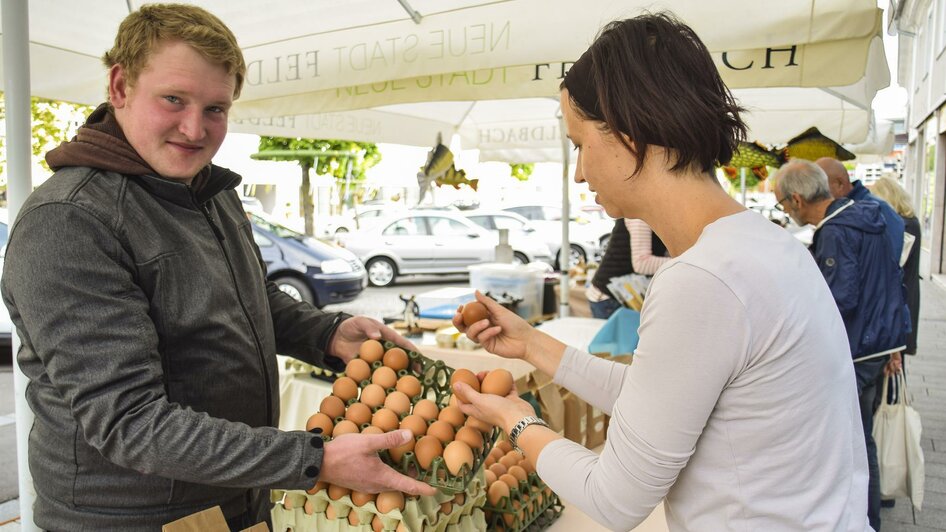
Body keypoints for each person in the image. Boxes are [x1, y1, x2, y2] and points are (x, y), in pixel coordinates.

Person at [0, 5, 434, 531]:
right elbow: (128, 423)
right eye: (174, 100)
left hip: (233, 493)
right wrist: (311, 459)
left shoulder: (207, 192)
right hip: (130, 517)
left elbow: (246, 301)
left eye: (216, 109)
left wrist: (328, 333)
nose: (195, 129)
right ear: (119, 87)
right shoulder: (70, 220)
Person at [451, 13, 872, 531]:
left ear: (632, 132)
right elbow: (661, 400)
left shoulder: (703, 279)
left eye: (580, 143)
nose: (579, 172)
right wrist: (534, 346)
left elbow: (616, 499)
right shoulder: (761, 245)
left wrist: (515, 420)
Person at [774, 160, 909, 531]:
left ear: (797, 199)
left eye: (782, 203)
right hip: (879, 341)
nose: (785, 210)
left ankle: (863, 520)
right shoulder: (871, 213)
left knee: (850, 444)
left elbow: (839, 298)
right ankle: (868, 519)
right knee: (860, 441)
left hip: (857, 348)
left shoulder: (834, 231)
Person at [871, 176, 922, 363]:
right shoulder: (909, 222)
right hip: (903, 297)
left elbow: (894, 263)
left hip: (900, 300)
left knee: (894, 363)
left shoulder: (903, 225)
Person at [818, 157, 905, 264]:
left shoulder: (877, 209)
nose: (817, 195)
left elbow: (889, 262)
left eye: (821, 188)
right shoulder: (844, 210)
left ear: (839, 184)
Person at [587, 218, 670, 318]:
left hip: (621, 295)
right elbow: (642, 264)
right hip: (611, 297)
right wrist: (681, 261)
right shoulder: (638, 217)